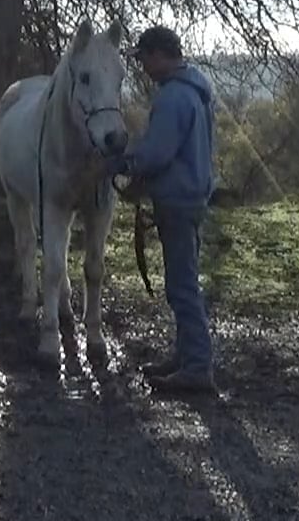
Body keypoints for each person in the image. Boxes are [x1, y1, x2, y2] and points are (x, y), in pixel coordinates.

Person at [110, 24, 217, 393]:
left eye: (145, 60)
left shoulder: (173, 98)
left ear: (159, 55)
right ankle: (186, 357)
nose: (144, 69)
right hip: (194, 196)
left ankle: (197, 367)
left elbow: (156, 153)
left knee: (182, 286)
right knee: (183, 281)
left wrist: (123, 162)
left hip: (177, 200)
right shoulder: (198, 91)